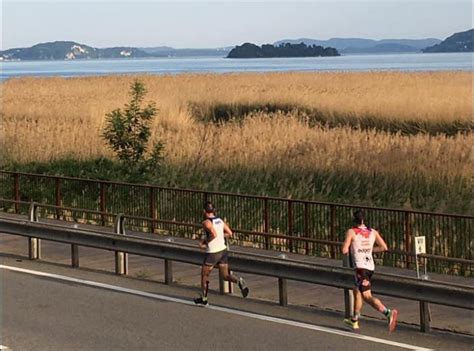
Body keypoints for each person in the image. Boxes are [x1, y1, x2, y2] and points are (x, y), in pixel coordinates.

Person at [342, 209, 398, 332]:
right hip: (370, 266)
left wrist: (353, 249)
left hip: (360, 268)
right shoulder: (372, 232)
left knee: (367, 296)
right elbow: (384, 247)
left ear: (354, 220)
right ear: (363, 220)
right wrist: (369, 250)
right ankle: (354, 320)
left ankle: (387, 313)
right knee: (357, 290)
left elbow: (344, 250)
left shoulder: (351, 232)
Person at [194, 201, 249, 306]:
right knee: (225, 275)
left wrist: (203, 243)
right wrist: (220, 236)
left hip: (212, 252)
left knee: (204, 275)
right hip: (222, 251)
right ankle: (239, 281)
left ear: (204, 211)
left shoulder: (206, 222)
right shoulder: (219, 221)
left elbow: (213, 234)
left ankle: (204, 299)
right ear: (213, 211)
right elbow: (229, 233)